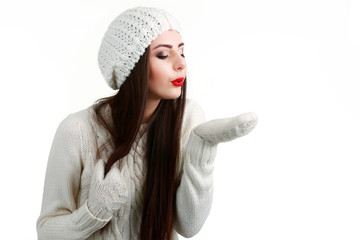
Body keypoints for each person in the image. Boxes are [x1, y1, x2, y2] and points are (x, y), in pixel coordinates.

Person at [36, 6, 258, 240]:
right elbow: (46, 232)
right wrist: (94, 213)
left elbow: (189, 226)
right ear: (131, 68)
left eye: (182, 52)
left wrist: (201, 150)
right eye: (163, 55)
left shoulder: (188, 117)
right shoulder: (78, 129)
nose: (180, 64)